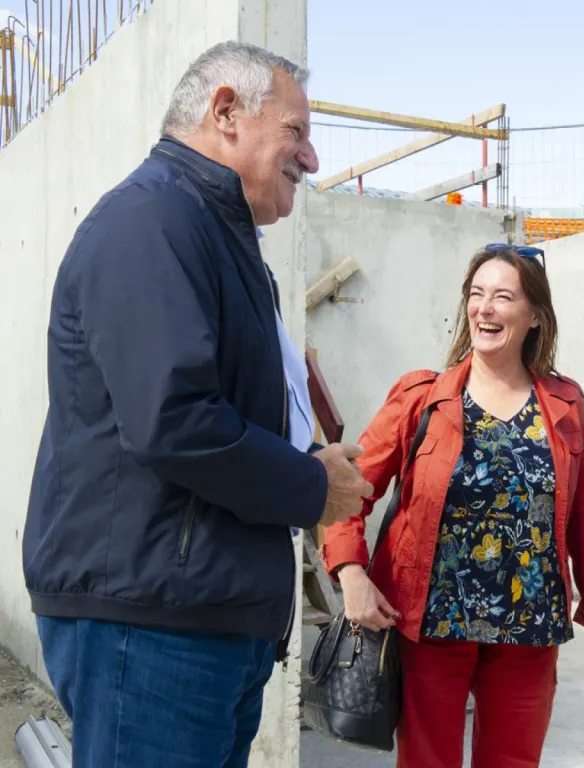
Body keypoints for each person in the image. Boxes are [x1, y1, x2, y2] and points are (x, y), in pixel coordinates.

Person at [22, 41, 373, 767]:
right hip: (152, 628)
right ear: (225, 113)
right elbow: (176, 422)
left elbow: (216, 417)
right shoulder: (153, 223)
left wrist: (308, 463)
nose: (310, 159)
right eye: (296, 133)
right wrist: (313, 487)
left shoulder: (214, 237)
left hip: (200, 620)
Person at [322, 244, 584, 768]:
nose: (484, 308)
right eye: (476, 294)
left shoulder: (563, 402)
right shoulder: (422, 397)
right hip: (432, 622)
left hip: (530, 626)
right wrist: (351, 573)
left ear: (534, 316)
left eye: (503, 296)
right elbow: (346, 489)